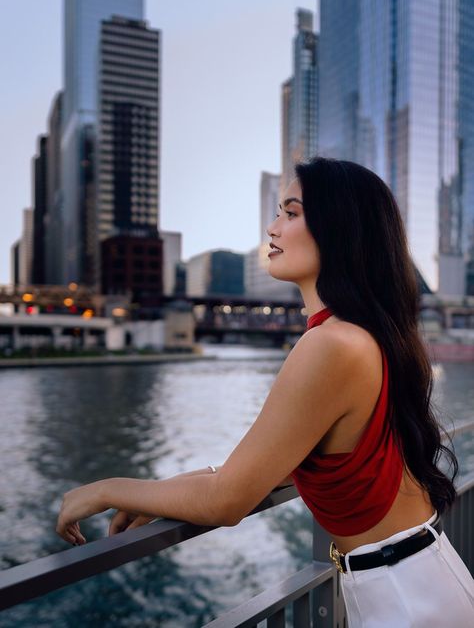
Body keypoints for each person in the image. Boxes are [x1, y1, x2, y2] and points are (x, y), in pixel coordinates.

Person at [56, 157, 474, 626]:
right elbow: (265, 471)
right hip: (414, 582)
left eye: (291, 213)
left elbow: (228, 498)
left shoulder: (333, 344)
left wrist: (109, 488)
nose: (273, 228)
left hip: (405, 599)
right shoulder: (366, 335)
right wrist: (157, 493)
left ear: (340, 229)